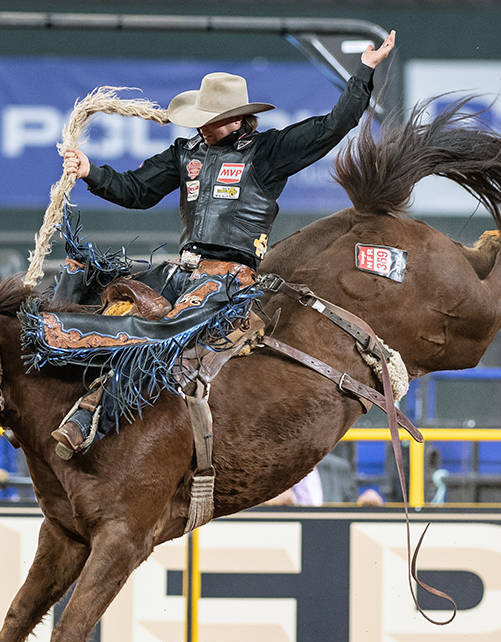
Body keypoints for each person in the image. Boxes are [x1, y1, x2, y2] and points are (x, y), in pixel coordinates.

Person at [51, 30, 396, 457]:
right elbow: (135, 191)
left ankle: (92, 414)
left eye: (210, 117)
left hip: (229, 281)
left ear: (236, 117)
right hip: (182, 272)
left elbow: (333, 126)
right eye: (201, 117)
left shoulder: (268, 152)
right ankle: (47, 372)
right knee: (82, 278)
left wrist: (364, 70)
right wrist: (90, 171)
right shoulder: (186, 152)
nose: (202, 125)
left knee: (162, 329)